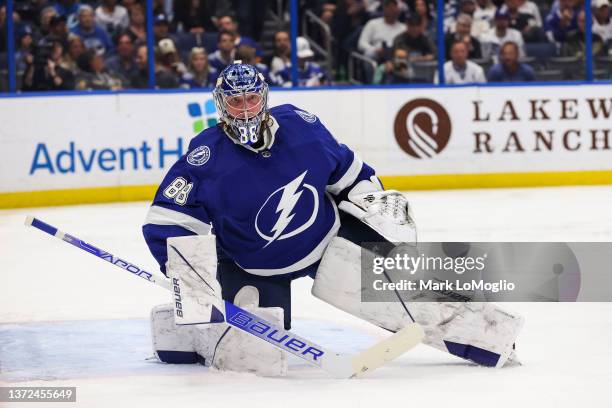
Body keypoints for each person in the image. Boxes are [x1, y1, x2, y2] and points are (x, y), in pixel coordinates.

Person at [141, 61, 524, 376]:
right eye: (235, 101)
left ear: (265, 98)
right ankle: (180, 330)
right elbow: (167, 223)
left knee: (410, 300)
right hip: (251, 267)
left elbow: (352, 175)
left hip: (329, 244)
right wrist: (190, 286)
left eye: (252, 98)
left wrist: (379, 211)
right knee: (248, 356)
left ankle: (491, 337)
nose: (245, 109)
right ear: (221, 104)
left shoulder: (301, 127)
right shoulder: (204, 158)